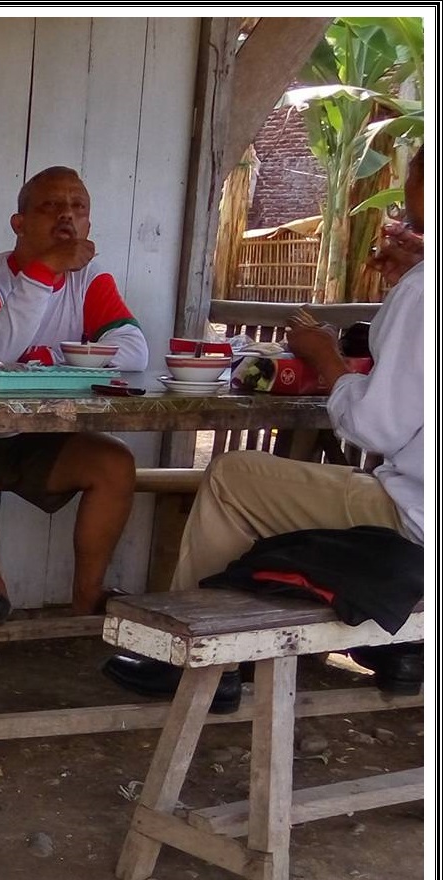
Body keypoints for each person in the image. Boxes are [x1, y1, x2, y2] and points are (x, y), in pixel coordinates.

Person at [105, 148, 427, 708]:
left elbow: (376, 428)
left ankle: (203, 663)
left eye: (414, 179)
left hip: (417, 519)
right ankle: (386, 646)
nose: (403, 194)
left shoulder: (426, 289)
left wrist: (327, 359)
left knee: (232, 477)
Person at [0, 167, 146, 623]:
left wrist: (50, 358)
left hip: (41, 435)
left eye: (78, 207)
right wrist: (43, 273)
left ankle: (87, 599)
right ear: (18, 223)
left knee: (115, 464)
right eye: (50, 206)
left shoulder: (90, 280)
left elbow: (134, 351)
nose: (66, 216)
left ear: (89, 223)